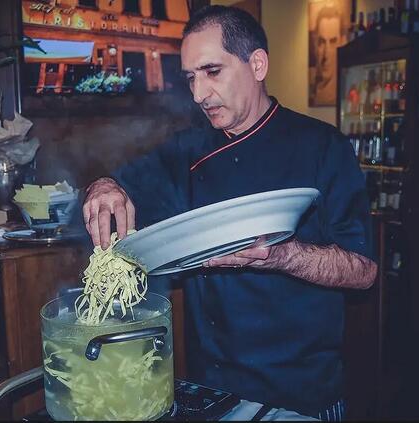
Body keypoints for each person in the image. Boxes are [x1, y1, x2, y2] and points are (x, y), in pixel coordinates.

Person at [82, 5, 377, 421]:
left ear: (257, 64)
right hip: (212, 391)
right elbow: (119, 183)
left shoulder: (322, 147)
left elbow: (363, 271)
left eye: (212, 72)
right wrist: (104, 186)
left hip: (300, 394)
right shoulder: (188, 149)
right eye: (190, 78)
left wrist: (282, 255)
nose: (199, 94)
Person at [309, 5, 345, 106]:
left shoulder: (346, 88)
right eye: (321, 42)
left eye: (333, 41)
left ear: (342, 42)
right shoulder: (313, 91)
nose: (326, 53)